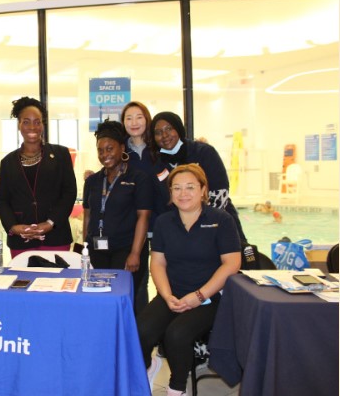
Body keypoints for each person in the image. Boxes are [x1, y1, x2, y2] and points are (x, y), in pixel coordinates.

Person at [137, 164, 241, 396]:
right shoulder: (164, 222)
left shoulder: (221, 220)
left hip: (209, 299)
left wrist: (199, 296)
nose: (183, 193)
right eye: (177, 188)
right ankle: (149, 366)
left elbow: (232, 264)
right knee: (141, 329)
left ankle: (176, 387)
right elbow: (158, 263)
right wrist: (166, 295)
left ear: (203, 190)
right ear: (170, 193)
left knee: (177, 333)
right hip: (172, 294)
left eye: (190, 187)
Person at [0, 97, 77, 258]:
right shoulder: (7, 162)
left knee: (57, 282)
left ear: (43, 124)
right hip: (22, 240)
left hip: (56, 236)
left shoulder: (61, 154)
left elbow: (69, 193)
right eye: (26, 122)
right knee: (24, 282)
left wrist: (50, 223)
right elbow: (2, 200)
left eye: (37, 122)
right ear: (19, 124)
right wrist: (13, 227)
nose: (32, 127)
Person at [150, 111, 247, 243]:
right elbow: (161, 204)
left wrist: (200, 224)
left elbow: (220, 193)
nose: (164, 135)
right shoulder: (157, 164)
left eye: (169, 129)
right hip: (180, 233)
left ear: (178, 128)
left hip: (217, 226)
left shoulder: (203, 152)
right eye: (158, 132)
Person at [82, 119, 152, 301]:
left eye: (110, 148)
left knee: (122, 298)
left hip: (126, 249)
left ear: (122, 148)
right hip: (97, 250)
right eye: (100, 150)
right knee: (99, 298)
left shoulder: (138, 178)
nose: (105, 154)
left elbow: (143, 217)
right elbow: (87, 216)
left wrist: (135, 253)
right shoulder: (92, 181)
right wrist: (85, 249)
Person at [121, 101, 157, 313]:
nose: (134, 122)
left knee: (167, 278)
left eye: (139, 117)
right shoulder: (122, 151)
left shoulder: (159, 149)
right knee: (139, 280)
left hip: (161, 222)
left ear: (147, 119)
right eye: (128, 118)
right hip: (136, 227)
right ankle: (140, 334)